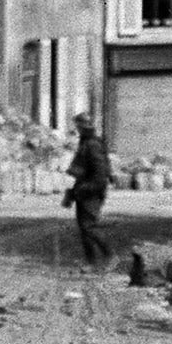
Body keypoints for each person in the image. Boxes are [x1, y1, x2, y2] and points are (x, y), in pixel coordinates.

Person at [63, 113, 114, 269]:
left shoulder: (92, 144)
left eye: (78, 126)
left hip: (92, 191)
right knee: (85, 227)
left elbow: (100, 173)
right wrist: (74, 192)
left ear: (83, 126)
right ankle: (92, 262)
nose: (77, 129)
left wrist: (85, 189)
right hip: (85, 188)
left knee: (89, 226)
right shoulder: (86, 142)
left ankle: (109, 256)